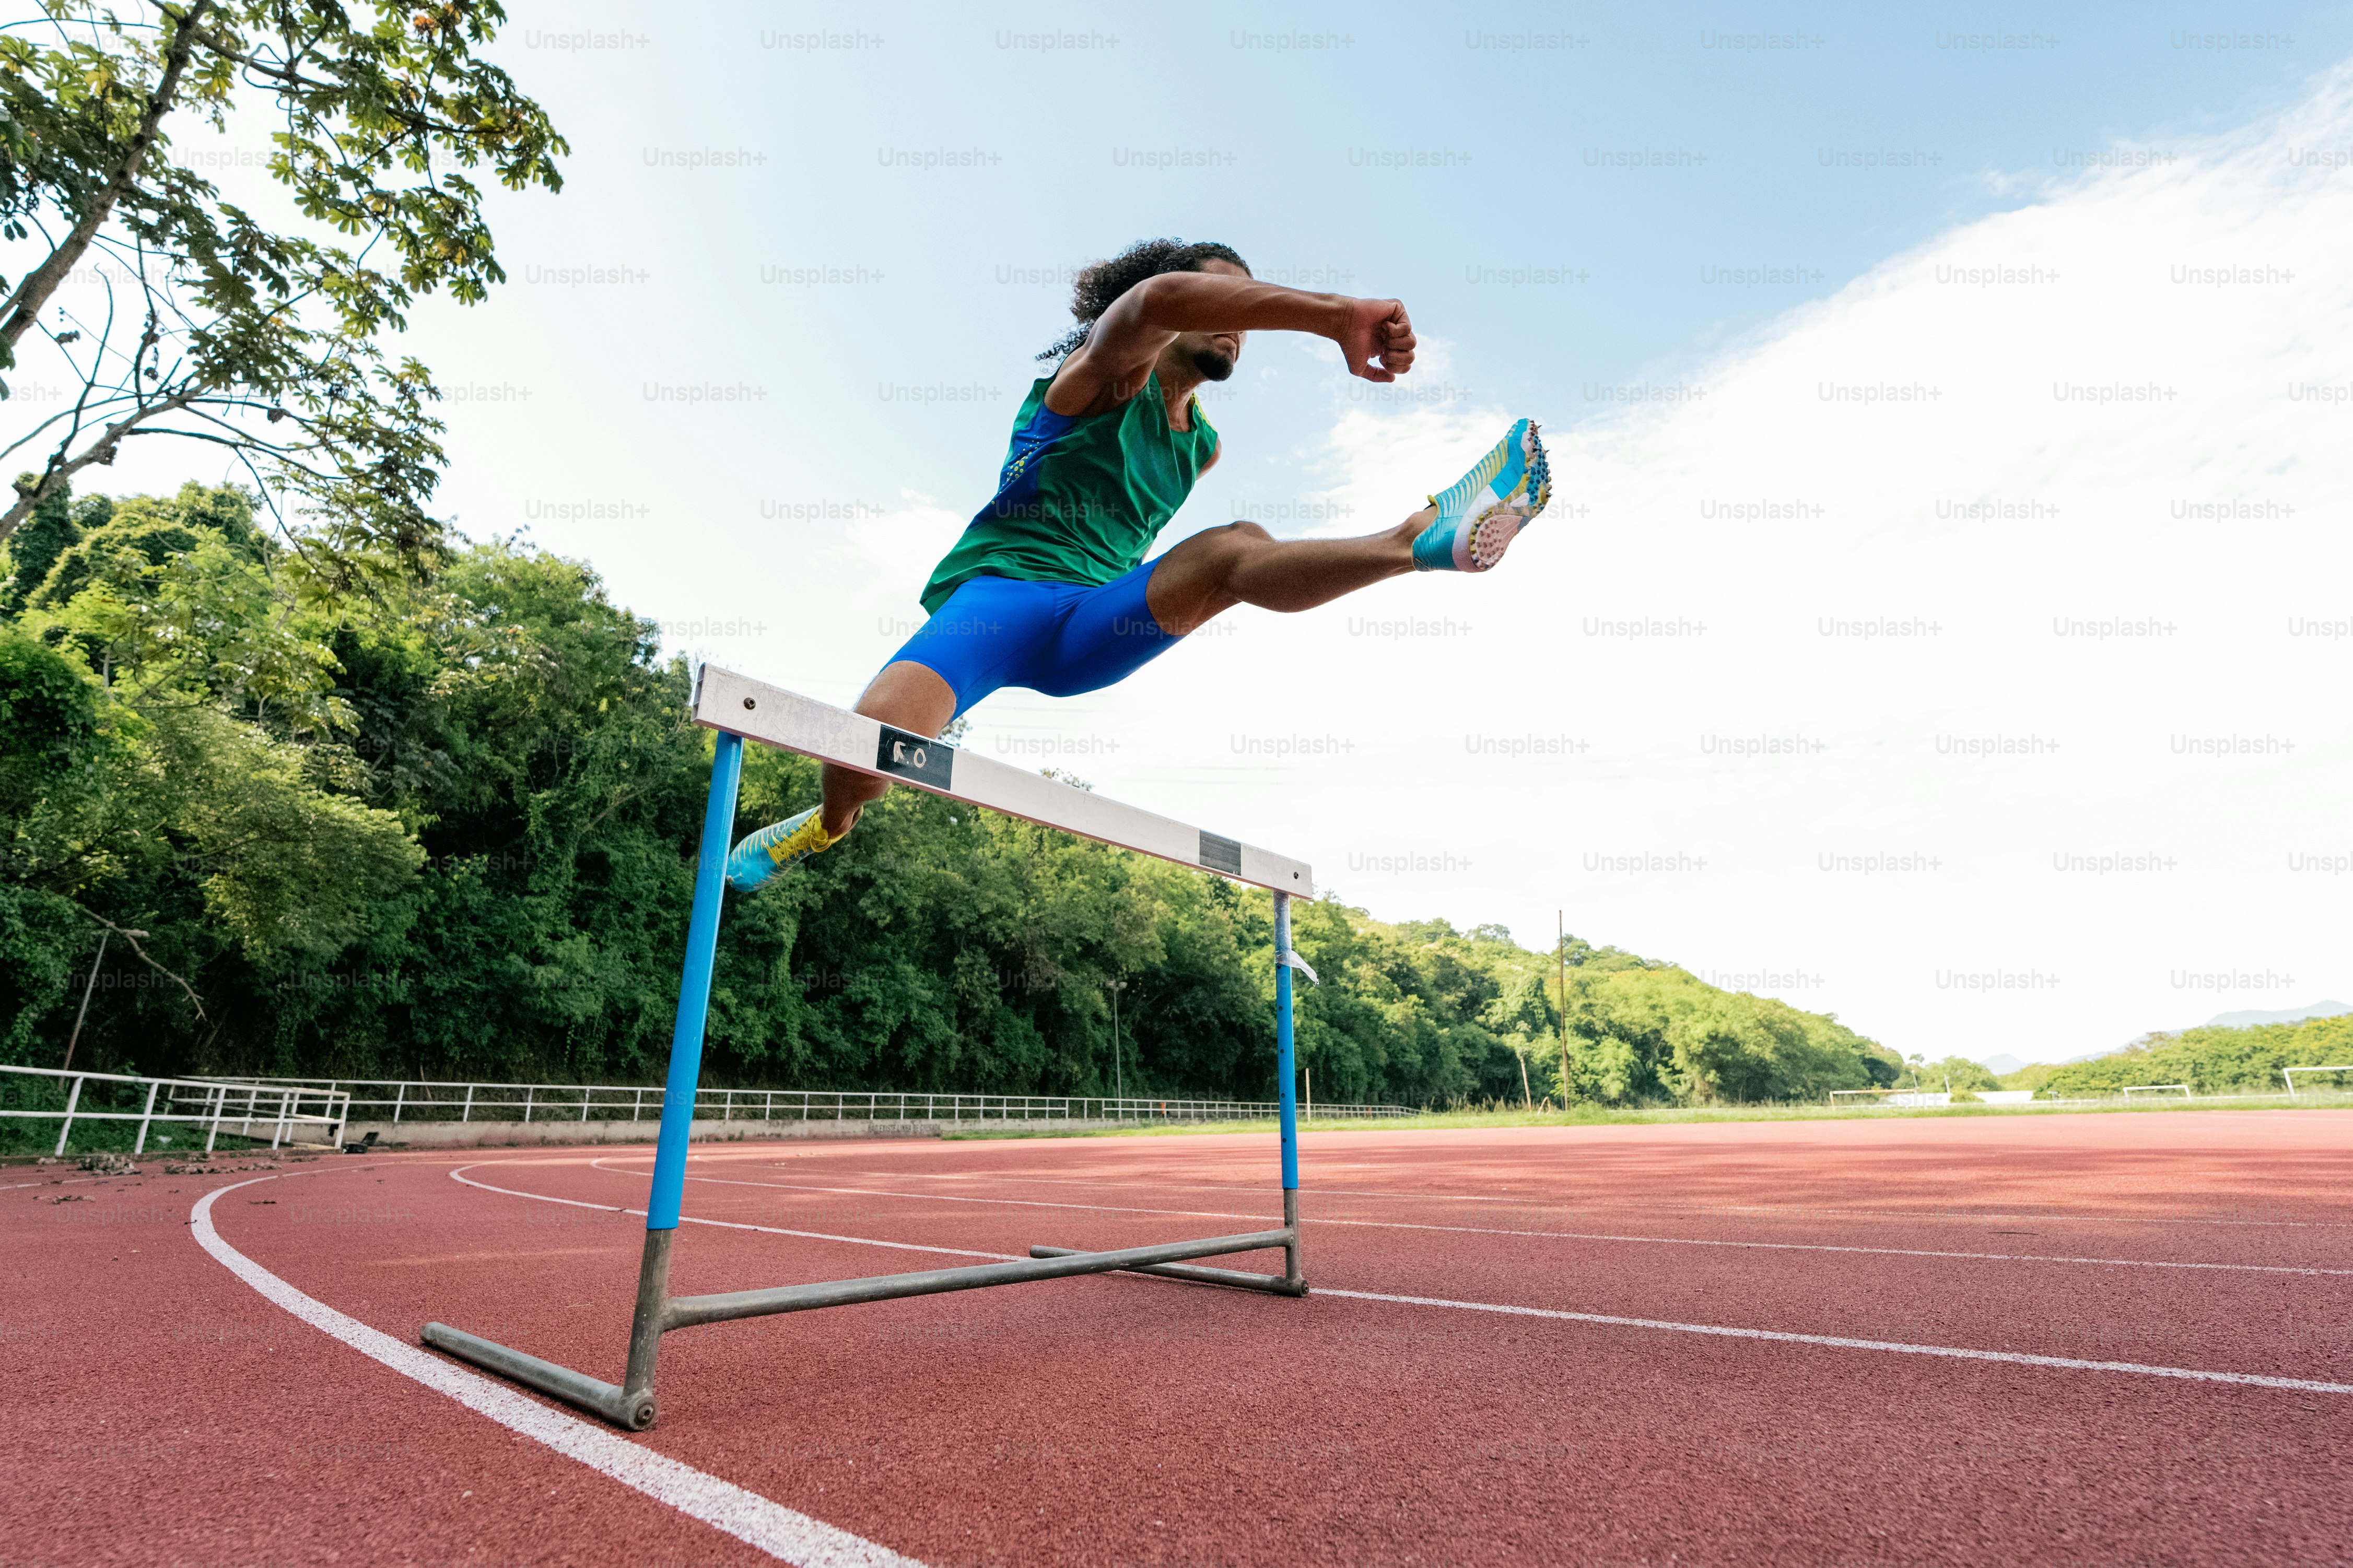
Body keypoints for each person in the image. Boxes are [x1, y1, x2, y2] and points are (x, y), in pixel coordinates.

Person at [726, 237, 1550, 891]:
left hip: (1095, 623)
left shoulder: (1202, 447)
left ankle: (1417, 538)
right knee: (862, 753)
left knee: (1232, 549)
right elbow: (1156, 302)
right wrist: (1333, 313)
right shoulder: (1096, 378)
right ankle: (826, 827)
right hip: (996, 606)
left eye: (1245, 317)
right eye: (1223, 301)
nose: (1237, 325)